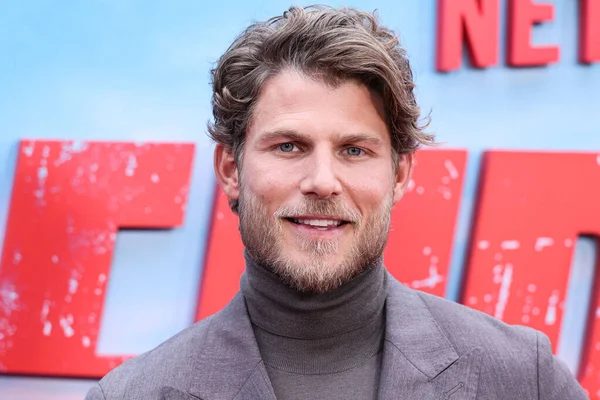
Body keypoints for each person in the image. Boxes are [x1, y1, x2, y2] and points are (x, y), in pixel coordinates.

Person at [85, 5, 588, 400]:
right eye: (289, 146)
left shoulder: (525, 380)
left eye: (354, 150)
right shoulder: (133, 395)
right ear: (230, 169)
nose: (323, 182)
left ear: (400, 173)